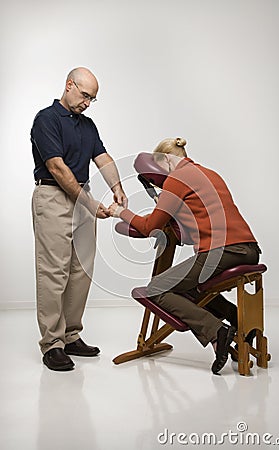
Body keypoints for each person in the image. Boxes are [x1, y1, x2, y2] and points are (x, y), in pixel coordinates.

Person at [108, 137, 261, 374]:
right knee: (188, 288)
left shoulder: (177, 179)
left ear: (165, 161)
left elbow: (150, 227)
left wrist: (121, 212)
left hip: (223, 251)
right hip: (248, 249)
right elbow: (196, 227)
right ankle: (238, 321)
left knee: (157, 289)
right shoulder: (209, 173)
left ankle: (216, 332)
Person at [31, 67, 127, 371]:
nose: (88, 102)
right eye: (85, 95)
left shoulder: (88, 125)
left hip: (81, 199)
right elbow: (57, 169)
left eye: (93, 99)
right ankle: (52, 344)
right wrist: (88, 202)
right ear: (69, 85)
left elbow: (103, 158)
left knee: (80, 270)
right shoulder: (46, 119)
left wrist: (118, 189)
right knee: (54, 272)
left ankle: (71, 336)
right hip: (54, 197)